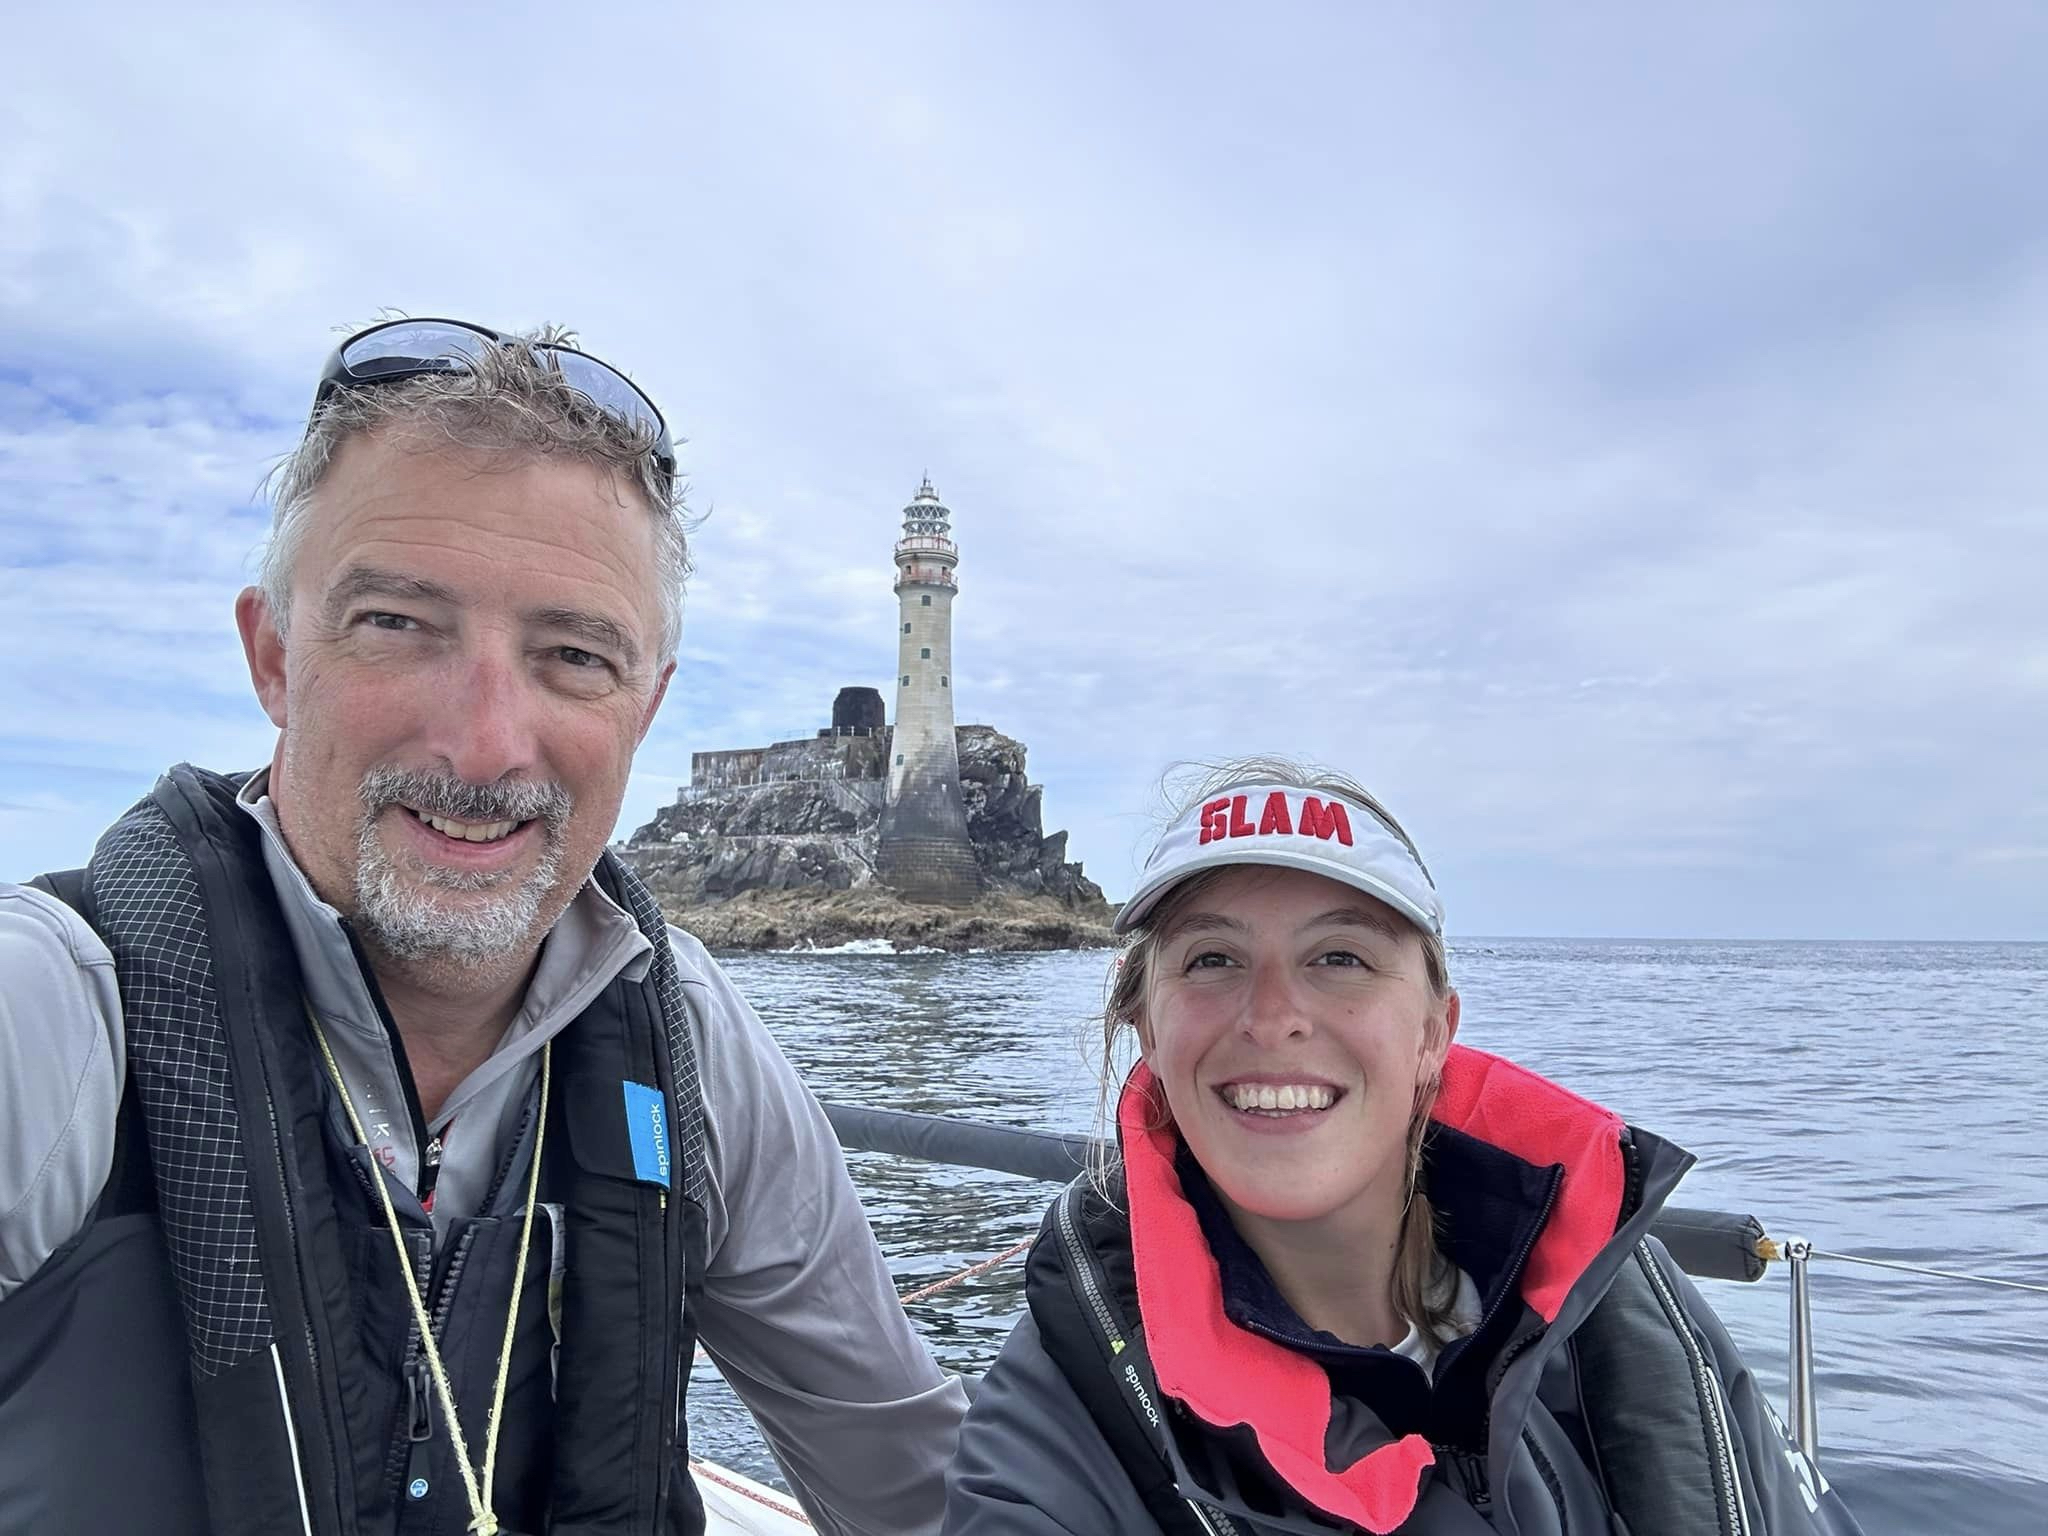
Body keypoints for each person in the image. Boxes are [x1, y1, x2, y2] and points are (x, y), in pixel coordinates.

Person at [0, 317, 966, 1536]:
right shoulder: (45, 1019)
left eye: (572, 655)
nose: (485, 743)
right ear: (274, 657)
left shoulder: (688, 1045)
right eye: (399, 625)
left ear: (648, 704)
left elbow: (914, 1483)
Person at [944, 759, 1864, 1534]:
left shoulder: (1626, 1309)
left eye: (1340, 957)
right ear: (1148, 1025)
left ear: (1434, 1033)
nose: (1273, 1019)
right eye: (1212, 959)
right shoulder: (1051, 1439)